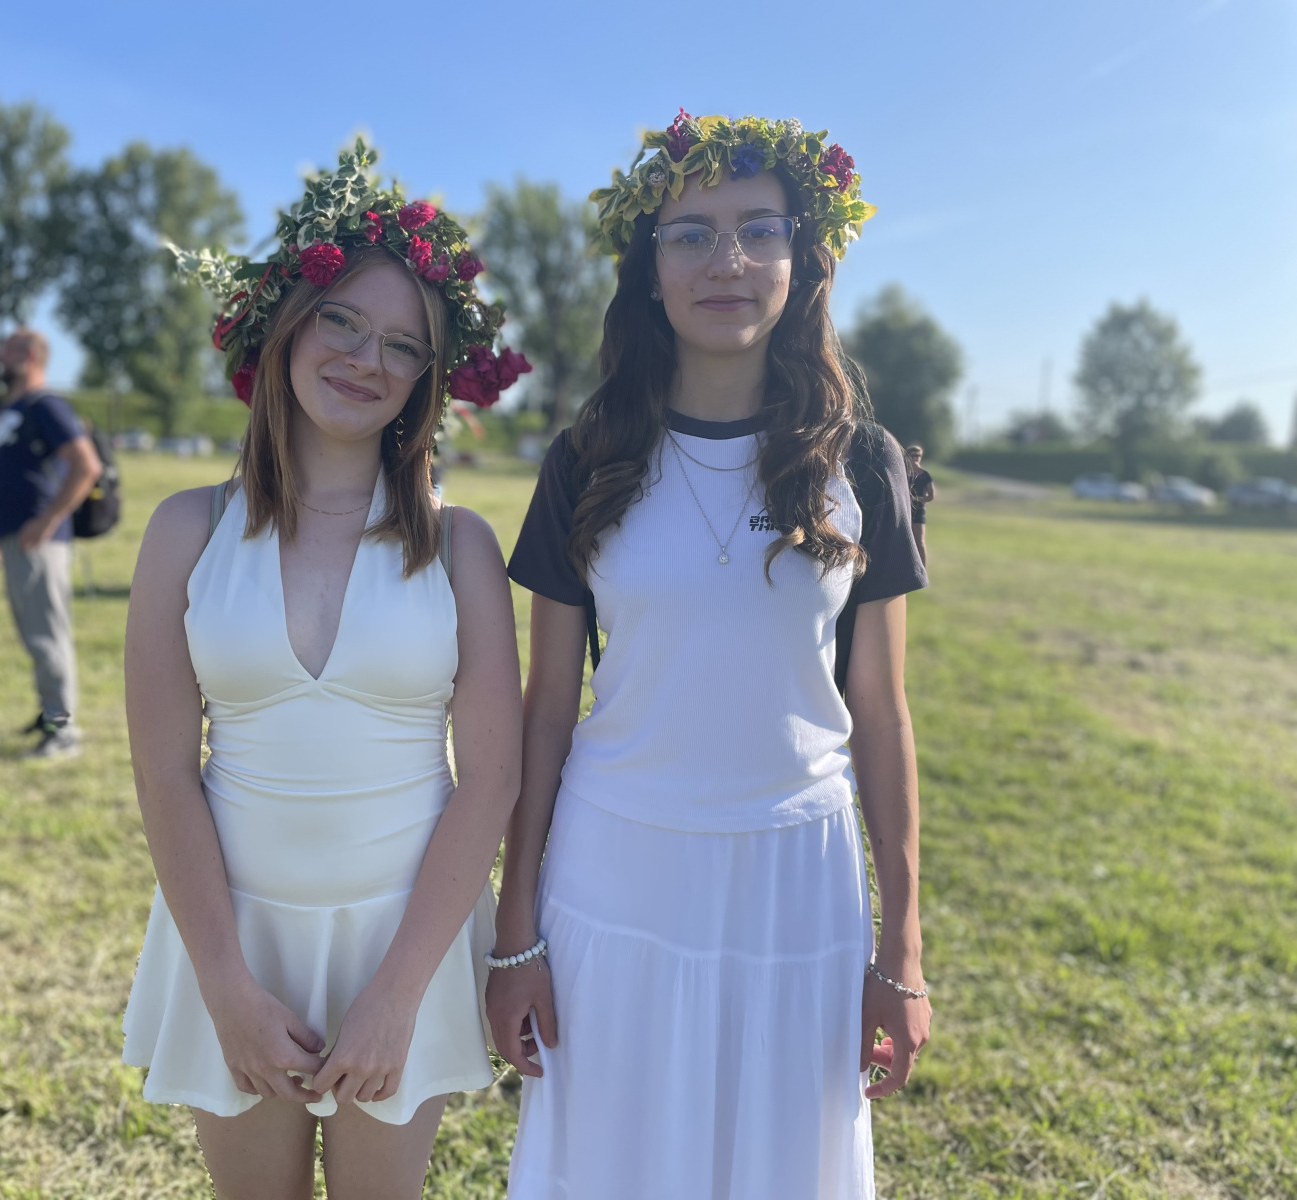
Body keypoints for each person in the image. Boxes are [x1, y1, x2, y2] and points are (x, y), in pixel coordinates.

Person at [488, 112, 932, 1199]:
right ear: (648, 270)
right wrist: (514, 934)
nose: (725, 260)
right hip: (615, 874)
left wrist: (903, 950)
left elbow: (881, 716)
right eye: (689, 234)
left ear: (801, 256)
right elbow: (545, 713)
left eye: (757, 229)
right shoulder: (586, 458)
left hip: (798, 884)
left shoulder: (860, 462)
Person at [121, 142, 528, 1200]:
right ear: (287, 326)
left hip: (404, 938)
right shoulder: (184, 531)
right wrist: (224, 986)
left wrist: (398, 994)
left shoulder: (462, 547)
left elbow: (490, 778)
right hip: (233, 938)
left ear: (426, 380)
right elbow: (164, 772)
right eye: (342, 321)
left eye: (401, 344)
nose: (364, 359)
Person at [0, 328, 102, 757]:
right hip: (17, 539)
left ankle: (64, 731)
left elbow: (86, 466)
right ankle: (49, 712)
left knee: (48, 635)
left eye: (7, 349)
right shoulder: (15, 408)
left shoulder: (46, 405)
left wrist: (48, 520)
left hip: (40, 543)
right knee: (34, 634)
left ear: (30, 356)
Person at [906, 443, 935, 568]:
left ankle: (922, 569)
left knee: (920, 541)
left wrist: (916, 498)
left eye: (918, 455)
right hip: (906, 510)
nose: (916, 458)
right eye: (913, 455)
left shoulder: (924, 475)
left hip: (918, 510)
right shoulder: (904, 474)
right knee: (906, 541)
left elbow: (931, 496)